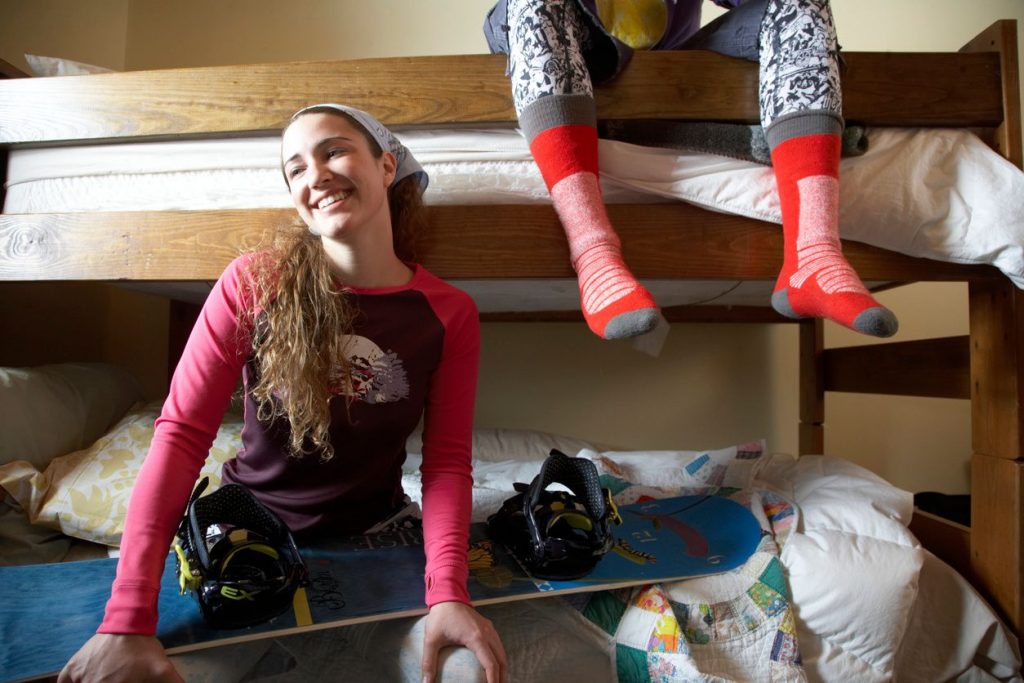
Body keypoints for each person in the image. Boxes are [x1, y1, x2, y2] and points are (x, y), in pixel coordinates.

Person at [58, 104, 507, 683]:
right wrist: (126, 620)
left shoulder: (450, 313)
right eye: (294, 169)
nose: (314, 175)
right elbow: (179, 439)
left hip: (376, 532)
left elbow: (445, 464)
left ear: (387, 163)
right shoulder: (252, 285)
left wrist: (450, 592)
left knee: (464, 673)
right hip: (253, 529)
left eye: (333, 151)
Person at [483, 0, 899, 339]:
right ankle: (594, 254)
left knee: (800, 3)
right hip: (578, 49)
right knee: (531, 3)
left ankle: (813, 256)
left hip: (671, 67)